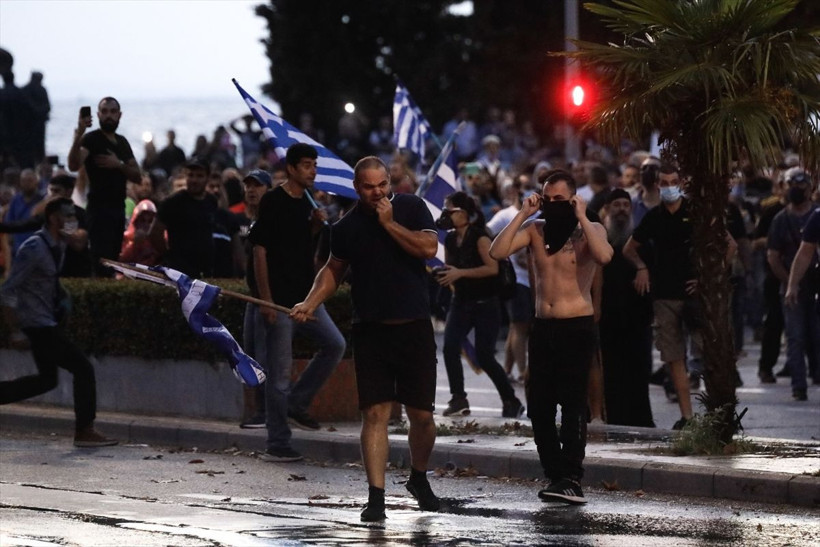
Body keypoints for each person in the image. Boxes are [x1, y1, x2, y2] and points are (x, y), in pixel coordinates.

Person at [291, 156, 440, 522]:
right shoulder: (345, 228)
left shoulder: (411, 207)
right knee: (375, 413)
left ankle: (418, 478)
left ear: (390, 182)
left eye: (382, 185)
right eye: (369, 187)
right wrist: (310, 302)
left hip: (414, 326)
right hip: (371, 330)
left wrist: (389, 225)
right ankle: (376, 496)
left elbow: (427, 249)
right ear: (356, 188)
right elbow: (333, 270)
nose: (378, 192)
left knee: (421, 416)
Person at [489, 169, 613, 505]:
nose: (553, 205)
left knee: (573, 404)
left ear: (573, 199)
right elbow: (497, 252)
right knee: (539, 406)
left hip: (576, 325)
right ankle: (554, 474)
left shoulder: (590, 230)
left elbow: (604, 257)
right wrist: (524, 213)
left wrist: (581, 216)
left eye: (560, 199)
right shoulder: (534, 231)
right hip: (543, 326)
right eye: (548, 199)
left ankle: (572, 476)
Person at [249, 144, 345, 462]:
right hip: (279, 301)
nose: (312, 170)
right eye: (306, 165)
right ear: (290, 168)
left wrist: (315, 226)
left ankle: (297, 403)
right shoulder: (273, 201)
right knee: (278, 373)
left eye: (314, 165)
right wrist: (266, 300)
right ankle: (277, 441)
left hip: (307, 296)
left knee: (335, 344)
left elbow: (302, 247)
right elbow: (260, 250)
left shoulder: (307, 201)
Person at [0, 198, 117, 447]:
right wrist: (16, 331)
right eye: (68, 215)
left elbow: (53, 274)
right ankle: (84, 431)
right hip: (37, 324)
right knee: (83, 368)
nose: (72, 221)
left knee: (47, 380)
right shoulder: (34, 247)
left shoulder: (58, 244)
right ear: (53, 218)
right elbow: (8, 290)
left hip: (47, 321)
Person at [435, 191, 524, 418]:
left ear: (465, 213)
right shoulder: (450, 239)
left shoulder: (480, 237)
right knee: (450, 347)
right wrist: (444, 274)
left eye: (451, 210)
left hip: (486, 304)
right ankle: (458, 398)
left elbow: (492, 269)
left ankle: (511, 399)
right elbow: (450, 269)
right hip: (461, 301)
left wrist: (460, 273)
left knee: (485, 356)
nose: (447, 214)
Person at [599, 189, 654, 427]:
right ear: (608, 209)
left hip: (636, 319)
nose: (622, 209)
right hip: (607, 318)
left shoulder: (641, 242)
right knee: (610, 372)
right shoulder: (600, 241)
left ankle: (640, 420)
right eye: (617, 205)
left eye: (625, 205)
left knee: (638, 372)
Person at [67, 97, 141, 277]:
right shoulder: (91, 140)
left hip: (117, 209)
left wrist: (118, 165)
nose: (109, 116)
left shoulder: (122, 142)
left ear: (119, 115)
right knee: (100, 260)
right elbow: (73, 165)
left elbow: (137, 175)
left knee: (114, 259)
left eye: (113, 112)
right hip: (98, 210)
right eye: (105, 111)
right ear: (98, 115)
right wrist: (79, 135)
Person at [767, 168, 820, 401]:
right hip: (793, 288)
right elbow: (775, 256)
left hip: (815, 286)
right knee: (795, 337)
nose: (797, 190)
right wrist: (790, 283)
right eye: (792, 185)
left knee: (816, 335)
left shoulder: (815, 214)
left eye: (802, 185)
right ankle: (799, 386)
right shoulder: (781, 219)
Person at [239, 169, 272, 429]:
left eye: (258, 186)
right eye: (248, 185)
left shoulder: (271, 221)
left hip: (264, 299)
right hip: (252, 297)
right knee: (251, 354)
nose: (251, 190)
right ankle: (258, 410)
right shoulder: (251, 221)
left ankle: (266, 411)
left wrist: (266, 299)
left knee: (263, 356)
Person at [150, 158, 218, 278]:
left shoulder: (211, 201)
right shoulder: (172, 202)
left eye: (199, 176)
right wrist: (170, 256)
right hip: (180, 273)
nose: (194, 180)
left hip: (206, 271)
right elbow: (154, 233)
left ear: (207, 178)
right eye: (191, 175)